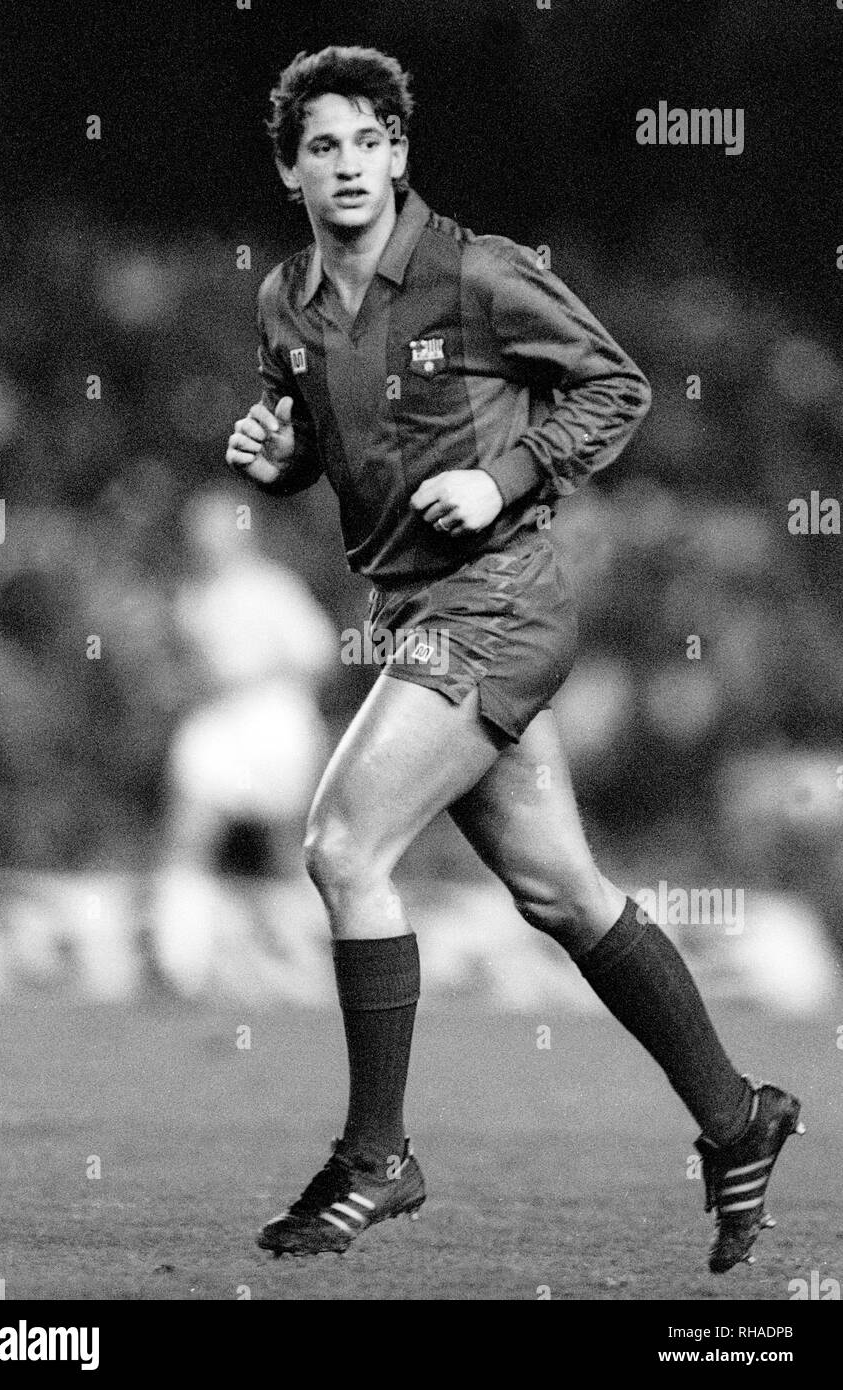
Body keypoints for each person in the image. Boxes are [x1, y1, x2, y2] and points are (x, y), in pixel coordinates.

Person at [225, 45, 802, 1272]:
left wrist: (502, 477)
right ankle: (736, 1114)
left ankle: (378, 1156)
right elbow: (325, 448)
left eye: (367, 139)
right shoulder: (286, 303)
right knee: (558, 890)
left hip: (500, 600)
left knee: (342, 845)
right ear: (291, 168)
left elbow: (616, 385)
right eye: (320, 144)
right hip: (416, 609)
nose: (347, 163)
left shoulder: (480, 272)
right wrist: (274, 457)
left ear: (399, 153)